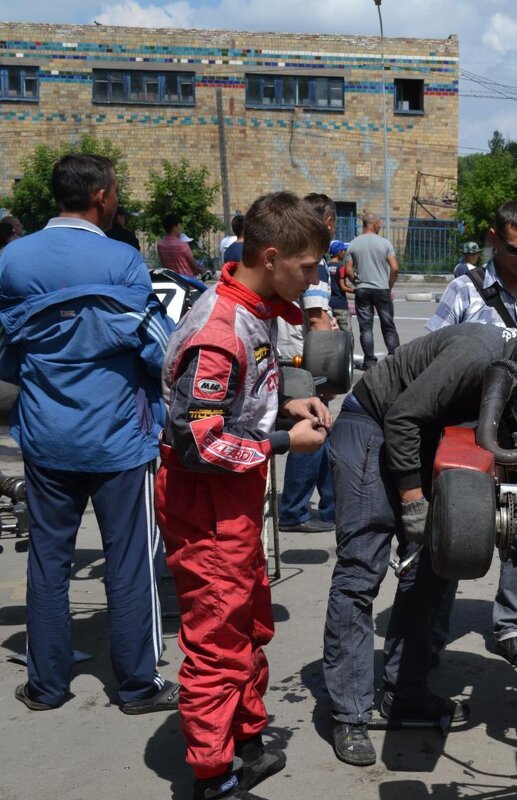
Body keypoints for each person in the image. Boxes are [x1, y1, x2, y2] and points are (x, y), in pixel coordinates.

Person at [323, 296, 517, 768]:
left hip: (428, 435)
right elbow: (403, 416)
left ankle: (404, 691)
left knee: (436, 565)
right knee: (361, 571)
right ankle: (350, 714)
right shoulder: (479, 353)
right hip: (372, 423)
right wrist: (413, 501)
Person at [155, 191, 331, 800]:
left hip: (235, 498)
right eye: (308, 268)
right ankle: (214, 776)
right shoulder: (219, 329)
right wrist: (287, 441)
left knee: (250, 622)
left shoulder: (255, 307)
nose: (315, 281)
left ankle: (246, 740)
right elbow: (200, 443)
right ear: (274, 256)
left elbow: (243, 397)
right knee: (215, 640)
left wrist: (288, 402)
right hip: (204, 503)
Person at [0, 153, 177, 715]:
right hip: (119, 440)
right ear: (101, 195)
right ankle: (137, 685)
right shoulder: (122, 260)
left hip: (46, 437)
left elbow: (7, 356)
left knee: (47, 560)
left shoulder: (12, 260)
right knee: (129, 560)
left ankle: (46, 686)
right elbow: (158, 348)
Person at [425, 200, 517, 670]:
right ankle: (431, 632)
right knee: (451, 527)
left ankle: (511, 627)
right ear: (494, 238)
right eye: (516, 249)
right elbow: (432, 354)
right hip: (467, 430)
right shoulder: (462, 291)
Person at [275, 192, 339, 535]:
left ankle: (331, 507)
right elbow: (317, 320)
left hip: (295, 356)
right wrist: (330, 367)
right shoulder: (318, 265)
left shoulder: (296, 256)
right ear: (327, 223)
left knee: (325, 431)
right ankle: (295, 510)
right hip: (305, 360)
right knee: (312, 429)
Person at [344, 213, 400, 369]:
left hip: (362, 289)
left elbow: (348, 270)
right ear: (375, 224)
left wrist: (357, 282)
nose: (380, 226)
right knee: (388, 325)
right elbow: (395, 268)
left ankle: (369, 361)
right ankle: (395, 358)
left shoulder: (353, 244)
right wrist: (389, 284)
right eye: (380, 224)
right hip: (382, 289)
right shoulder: (385, 243)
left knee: (366, 327)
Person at [157, 213, 200, 278]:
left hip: (171, 280)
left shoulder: (160, 245)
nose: (181, 228)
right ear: (175, 227)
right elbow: (194, 267)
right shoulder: (182, 245)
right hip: (188, 283)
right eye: (180, 225)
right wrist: (201, 270)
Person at [327, 240, 351, 332]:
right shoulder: (341, 267)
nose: (344, 253)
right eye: (344, 251)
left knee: (333, 332)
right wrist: (356, 290)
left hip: (330, 304)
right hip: (341, 305)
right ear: (339, 252)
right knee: (347, 333)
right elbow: (343, 287)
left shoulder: (327, 265)